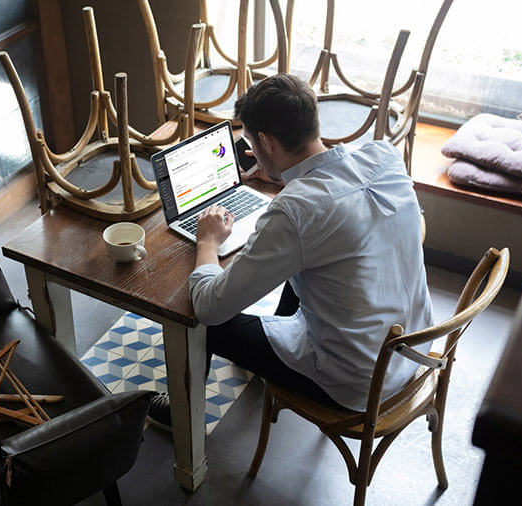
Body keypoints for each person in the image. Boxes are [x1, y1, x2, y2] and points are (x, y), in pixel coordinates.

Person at [147, 74, 433, 430]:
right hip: (410, 351)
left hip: (355, 381)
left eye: (251, 141)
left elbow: (209, 307)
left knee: (201, 321)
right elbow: (333, 192)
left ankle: (180, 416)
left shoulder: (295, 212)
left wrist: (207, 241)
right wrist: (283, 175)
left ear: (265, 142)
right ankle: (268, 352)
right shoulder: (384, 156)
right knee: (308, 263)